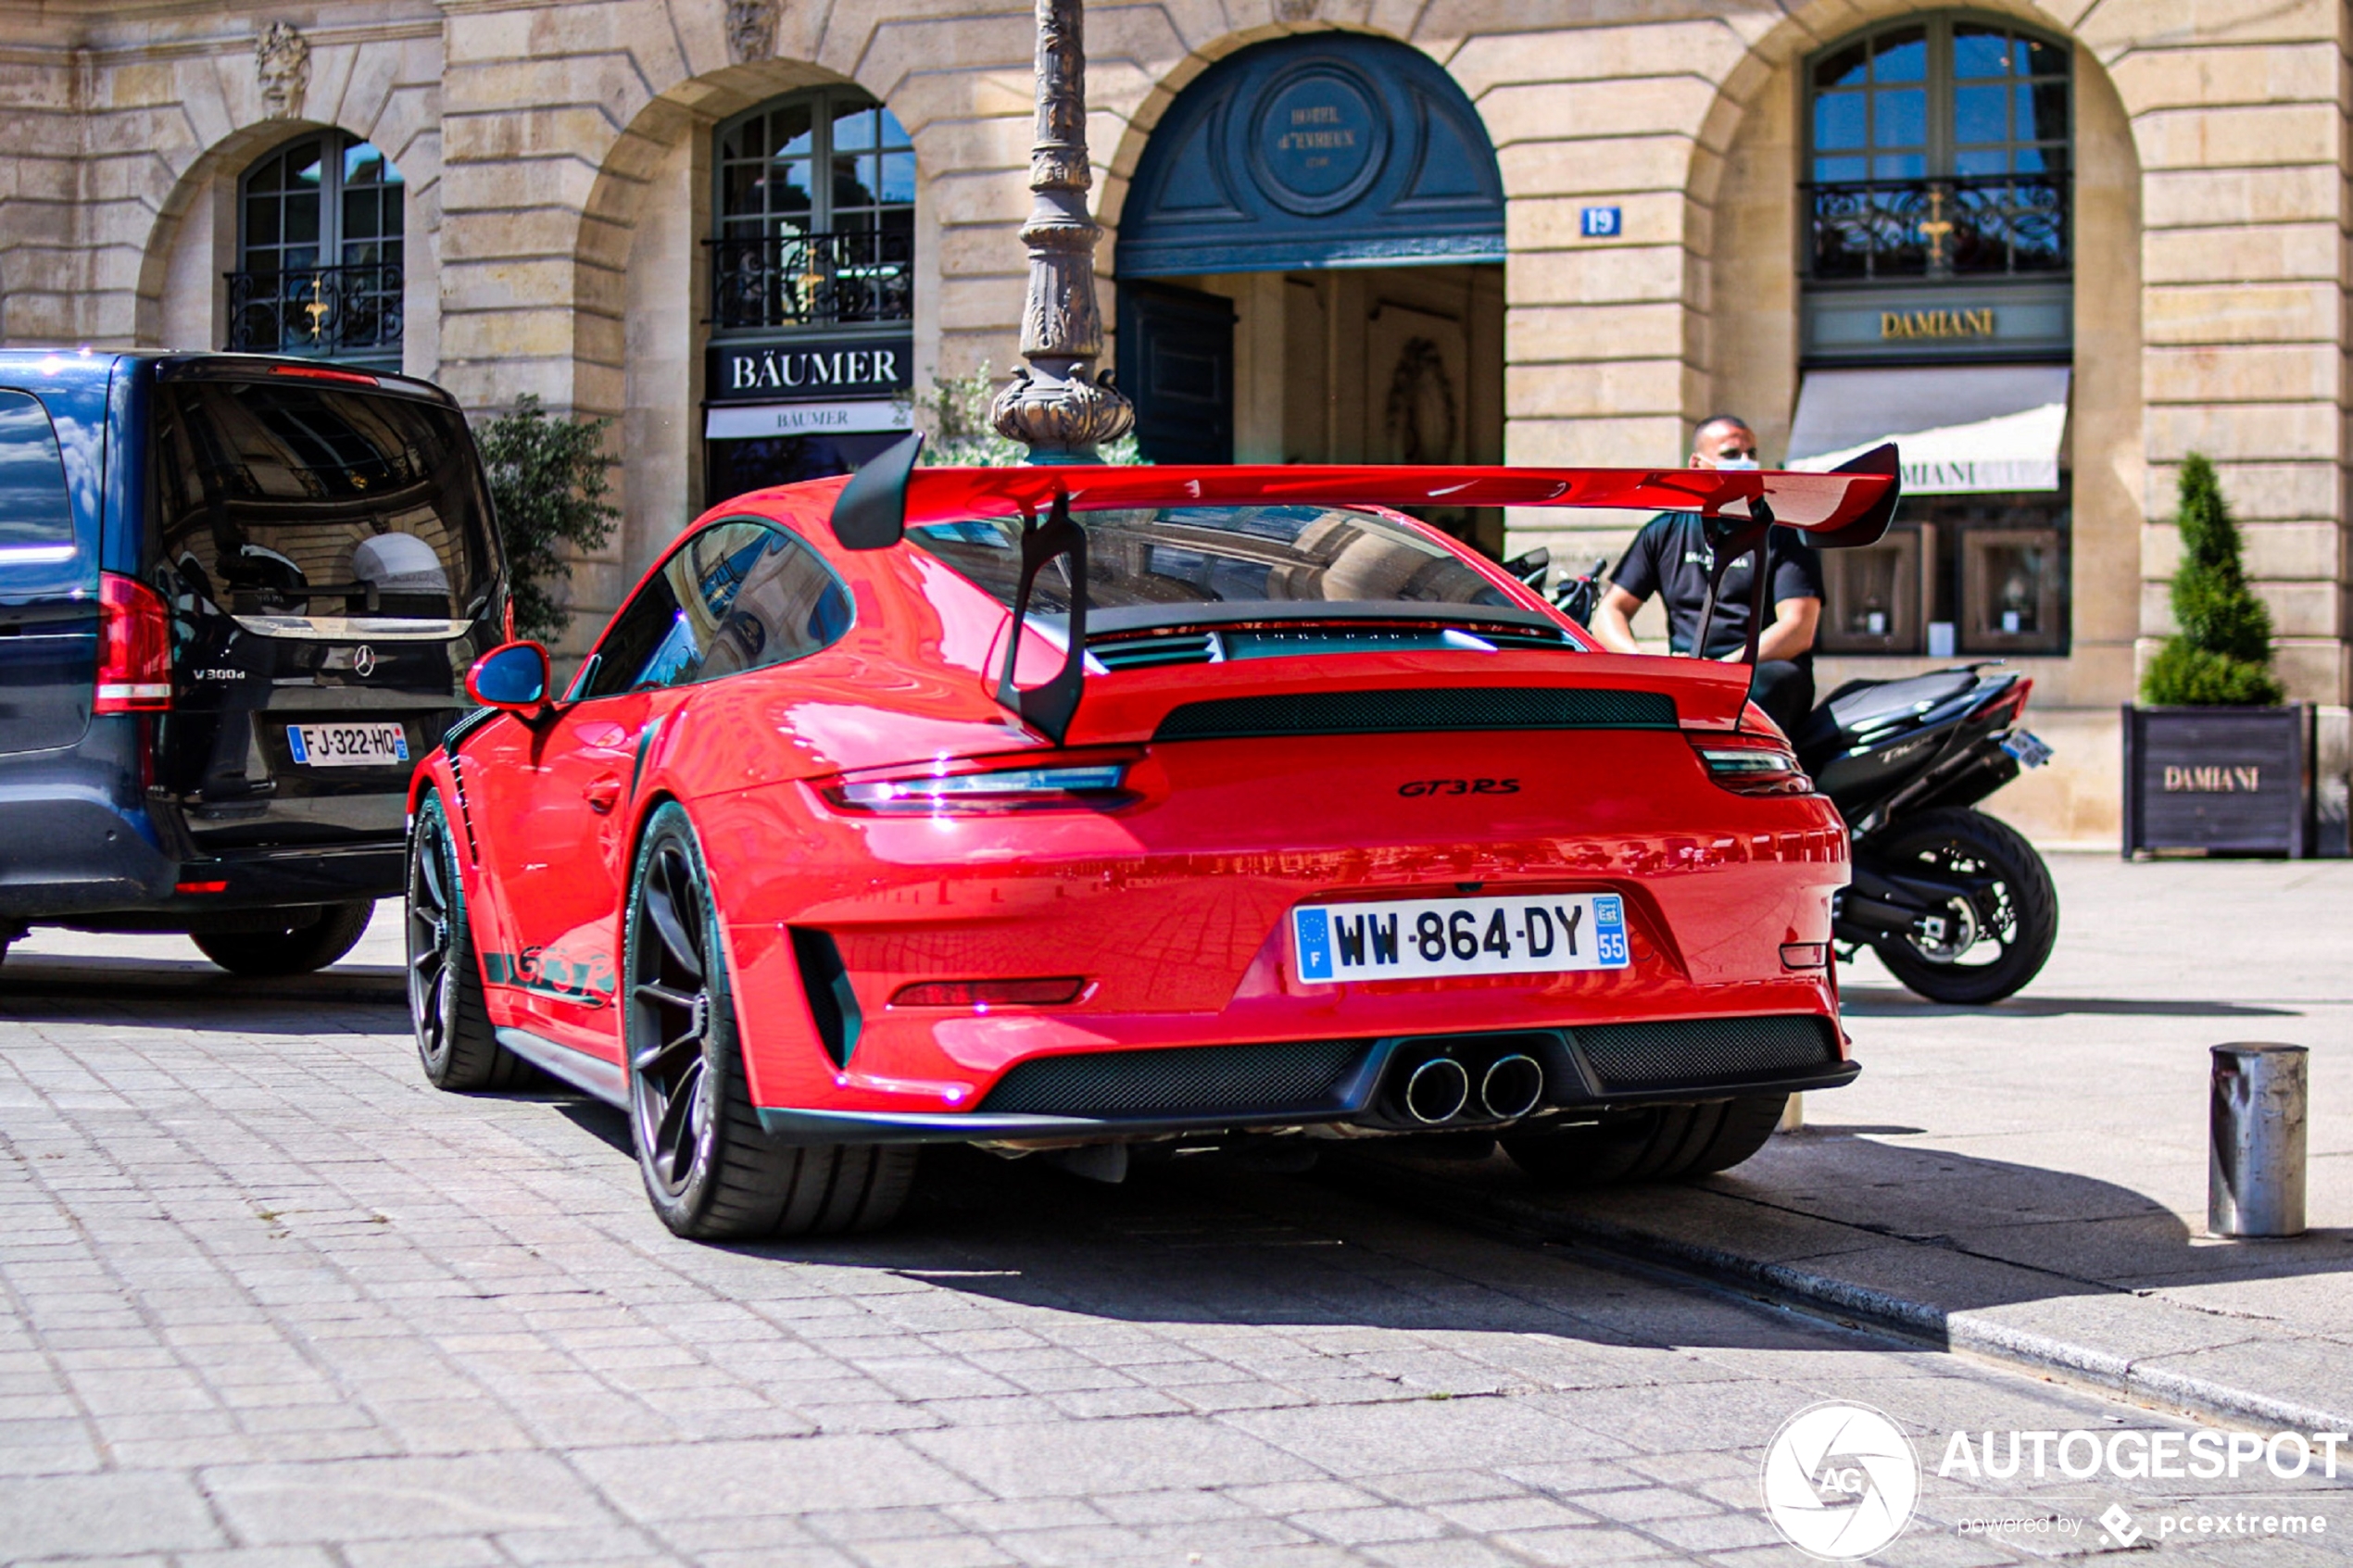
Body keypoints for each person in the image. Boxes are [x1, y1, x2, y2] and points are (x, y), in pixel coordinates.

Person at [1589, 414, 1825, 735]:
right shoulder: (1664, 531)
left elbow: (1798, 628)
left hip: (1763, 672)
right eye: (1731, 455)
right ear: (1698, 465)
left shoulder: (1783, 533)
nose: (1746, 462)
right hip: (1688, 676)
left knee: (1763, 687)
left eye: (1751, 454)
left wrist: (1725, 668)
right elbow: (1610, 611)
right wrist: (1644, 664)